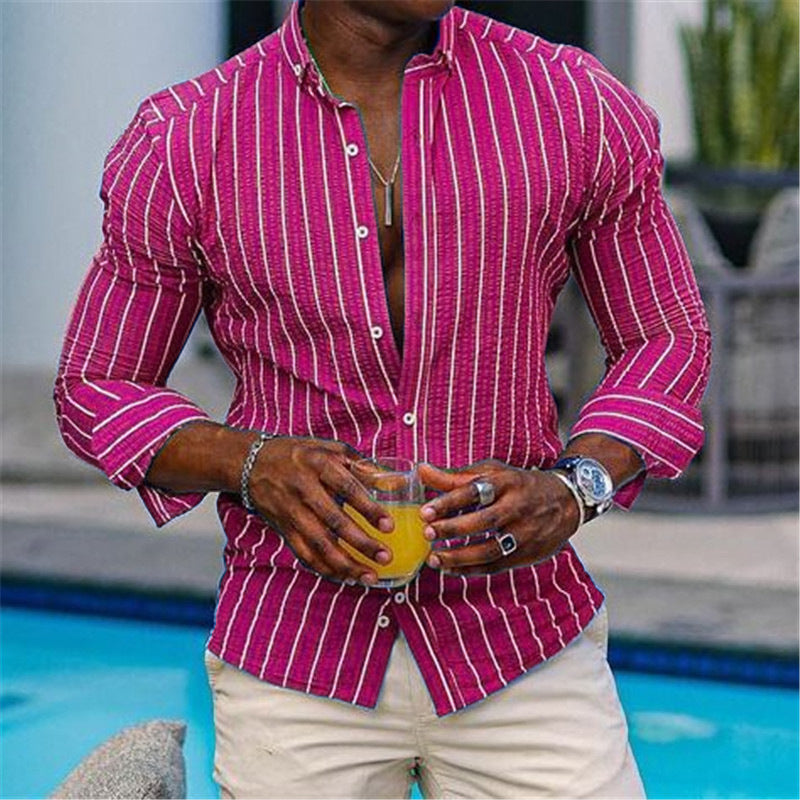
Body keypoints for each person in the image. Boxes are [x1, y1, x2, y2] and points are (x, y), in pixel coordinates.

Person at [54, 1, 711, 797]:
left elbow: (666, 336)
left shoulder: (570, 101)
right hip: (296, 653)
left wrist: (577, 487)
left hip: (520, 639)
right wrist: (253, 463)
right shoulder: (188, 138)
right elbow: (97, 384)